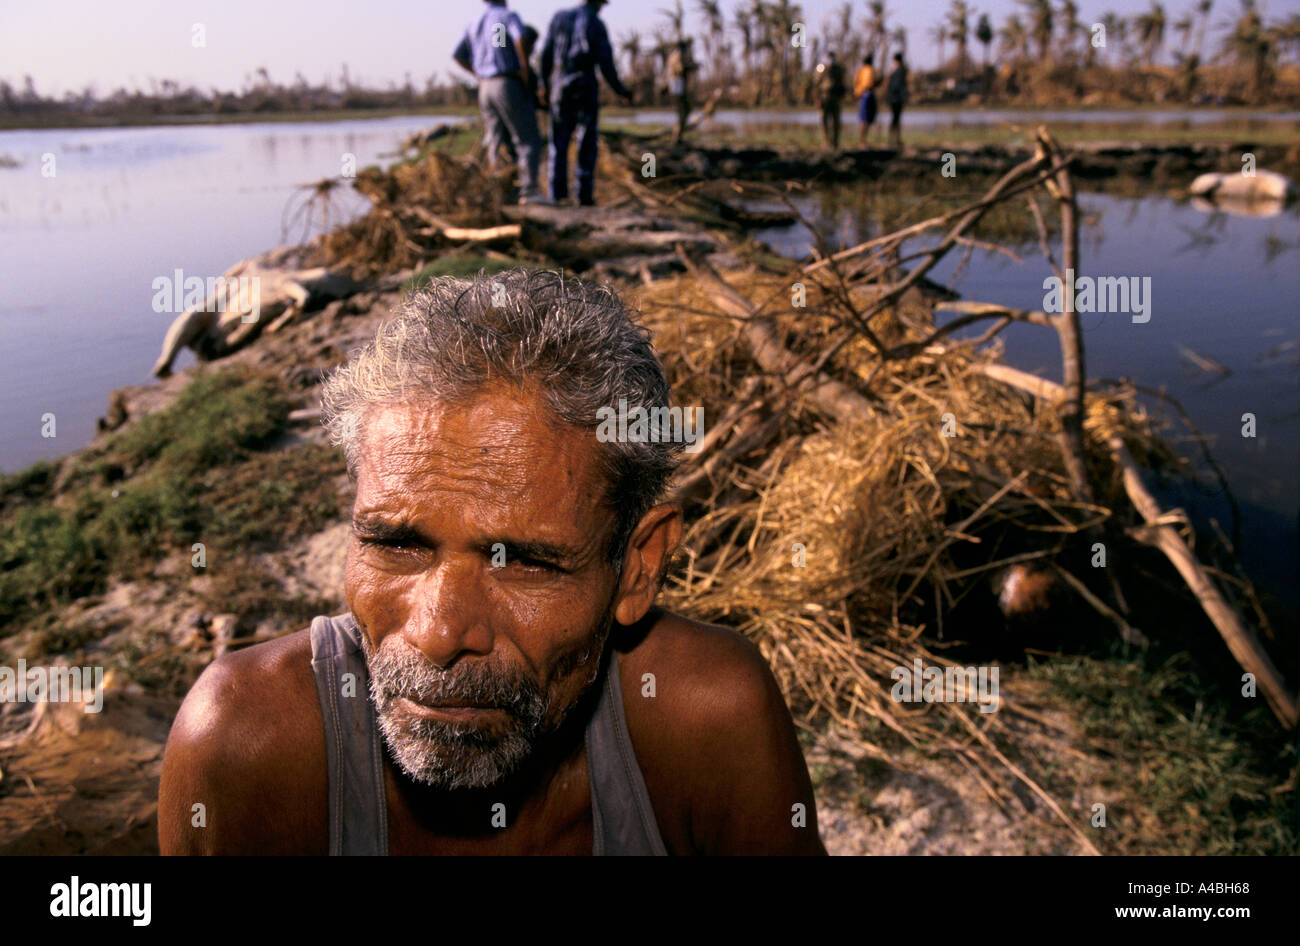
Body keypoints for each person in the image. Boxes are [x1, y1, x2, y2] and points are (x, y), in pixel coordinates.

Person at [157, 270, 827, 856]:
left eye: (524, 564)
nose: (439, 634)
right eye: (397, 545)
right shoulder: (244, 743)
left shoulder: (708, 724)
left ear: (637, 567)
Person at [452, 0, 549, 204]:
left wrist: (478, 73)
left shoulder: (475, 22)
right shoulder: (504, 17)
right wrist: (523, 69)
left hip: (485, 87)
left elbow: (458, 55)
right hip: (506, 82)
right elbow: (519, 39)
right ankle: (530, 192)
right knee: (527, 139)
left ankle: (500, 191)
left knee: (496, 142)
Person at [540, 0, 633, 207]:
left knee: (558, 143)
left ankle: (557, 196)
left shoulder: (559, 18)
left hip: (560, 86)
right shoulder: (595, 23)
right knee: (586, 141)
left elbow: (546, 55)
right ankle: (583, 197)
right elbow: (606, 62)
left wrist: (543, 84)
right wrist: (621, 90)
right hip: (584, 85)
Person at [815, 52, 848, 151]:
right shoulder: (821, 68)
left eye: (832, 58)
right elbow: (816, 84)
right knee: (824, 121)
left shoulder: (839, 69)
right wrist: (817, 99)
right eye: (829, 58)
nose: (831, 60)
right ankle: (825, 143)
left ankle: (835, 143)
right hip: (824, 96)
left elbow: (843, 83)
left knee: (836, 121)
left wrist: (842, 96)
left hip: (836, 97)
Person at [666, 38, 695, 145]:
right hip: (677, 86)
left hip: (676, 85)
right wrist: (693, 66)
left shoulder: (673, 55)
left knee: (683, 112)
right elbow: (680, 69)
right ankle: (677, 138)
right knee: (684, 111)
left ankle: (678, 137)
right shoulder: (678, 55)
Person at [853, 54, 878, 148]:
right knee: (865, 119)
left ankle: (862, 141)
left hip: (861, 95)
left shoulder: (860, 70)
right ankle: (862, 142)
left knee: (863, 119)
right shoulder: (869, 70)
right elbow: (869, 84)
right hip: (867, 95)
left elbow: (855, 82)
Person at [886, 51, 908, 149]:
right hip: (896, 98)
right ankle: (894, 139)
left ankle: (894, 139)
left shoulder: (898, 71)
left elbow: (895, 86)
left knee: (895, 119)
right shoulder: (899, 71)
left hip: (895, 98)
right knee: (895, 119)